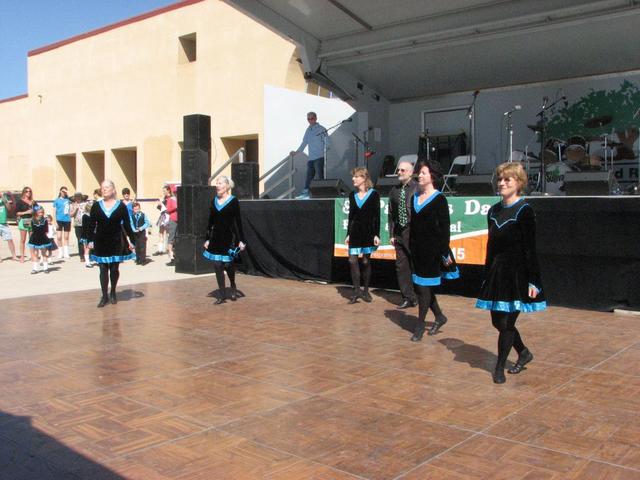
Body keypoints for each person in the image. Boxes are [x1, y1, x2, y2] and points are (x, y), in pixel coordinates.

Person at [476, 162, 545, 384]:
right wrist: (487, 273)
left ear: (519, 183)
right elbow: (491, 245)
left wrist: (534, 281)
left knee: (506, 323)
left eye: (508, 179)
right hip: (497, 272)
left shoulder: (525, 210)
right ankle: (523, 352)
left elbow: (530, 249)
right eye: (500, 179)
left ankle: (499, 368)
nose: (502, 183)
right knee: (497, 322)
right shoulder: (493, 210)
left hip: (518, 274)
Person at [409, 161, 459, 342]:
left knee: (423, 289)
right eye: (419, 173)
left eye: (423, 173)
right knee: (421, 288)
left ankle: (420, 325)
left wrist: (444, 252)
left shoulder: (439, 199)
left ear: (433, 176)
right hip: (417, 250)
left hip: (433, 251)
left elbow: (445, 228)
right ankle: (439, 316)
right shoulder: (415, 197)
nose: (419, 176)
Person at [87, 180, 136, 307]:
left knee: (114, 268)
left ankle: (113, 291)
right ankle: (104, 295)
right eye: (102, 188)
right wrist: (89, 240)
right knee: (103, 268)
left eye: (107, 187)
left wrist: (133, 239)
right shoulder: (96, 206)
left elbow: (126, 224)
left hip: (115, 240)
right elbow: (92, 224)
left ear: (113, 189)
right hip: (101, 240)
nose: (104, 189)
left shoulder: (121, 206)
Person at [203, 176, 246, 304]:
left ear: (227, 186)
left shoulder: (233, 201)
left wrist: (241, 240)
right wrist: (207, 238)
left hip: (229, 237)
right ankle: (221, 295)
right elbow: (210, 222)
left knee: (228, 265)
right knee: (217, 265)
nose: (217, 185)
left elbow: (238, 222)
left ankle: (232, 285)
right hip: (216, 237)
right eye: (217, 183)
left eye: (220, 183)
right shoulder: (213, 201)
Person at [345, 167, 380, 304]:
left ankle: (365, 290)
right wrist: (348, 234)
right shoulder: (351, 195)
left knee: (365, 261)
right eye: (353, 176)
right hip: (355, 232)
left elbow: (377, 216)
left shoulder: (374, 194)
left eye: (356, 176)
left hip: (368, 232)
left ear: (364, 178)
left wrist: (376, 234)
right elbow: (351, 216)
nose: (353, 179)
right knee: (352, 260)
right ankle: (356, 291)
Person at [388, 160, 418, 309]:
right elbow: (391, 213)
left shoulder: (417, 188)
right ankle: (407, 296)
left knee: (415, 264)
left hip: (412, 231)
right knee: (401, 265)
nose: (399, 173)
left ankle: (419, 295)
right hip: (399, 231)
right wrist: (391, 234)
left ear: (411, 173)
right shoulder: (394, 190)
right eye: (398, 170)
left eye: (403, 170)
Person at [290, 111, 326, 199]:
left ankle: (322, 194)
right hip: (311, 158)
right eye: (308, 119)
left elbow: (327, 142)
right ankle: (305, 193)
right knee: (309, 176)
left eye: (312, 118)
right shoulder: (308, 129)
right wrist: (296, 152)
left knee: (320, 176)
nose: (310, 120)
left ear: (316, 118)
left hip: (319, 157)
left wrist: (325, 151)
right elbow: (304, 143)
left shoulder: (321, 129)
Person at [15, 187, 38, 263]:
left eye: (30, 191)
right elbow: (17, 213)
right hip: (24, 220)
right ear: (23, 192)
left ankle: (32, 255)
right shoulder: (20, 201)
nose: (28, 192)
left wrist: (34, 211)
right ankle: (22, 256)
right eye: (26, 191)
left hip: (32, 221)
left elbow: (38, 210)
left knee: (32, 239)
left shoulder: (33, 202)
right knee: (23, 239)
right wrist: (26, 212)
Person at [27, 206, 52, 274]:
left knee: (44, 253)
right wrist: (31, 238)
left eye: (42, 212)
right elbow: (31, 231)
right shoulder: (32, 220)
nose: (41, 213)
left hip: (43, 238)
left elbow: (46, 231)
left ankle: (45, 268)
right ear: (36, 212)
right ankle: (35, 269)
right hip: (34, 239)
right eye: (40, 212)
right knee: (35, 254)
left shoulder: (45, 220)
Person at [160, 185, 178, 266]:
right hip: (173, 220)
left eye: (177, 192)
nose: (176, 193)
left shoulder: (180, 199)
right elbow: (167, 210)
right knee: (171, 239)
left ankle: (177, 256)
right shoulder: (171, 199)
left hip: (180, 221)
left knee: (177, 239)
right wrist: (175, 207)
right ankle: (171, 257)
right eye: (175, 192)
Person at [53, 186, 72, 260]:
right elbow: (54, 212)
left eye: (65, 192)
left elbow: (72, 201)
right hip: (59, 220)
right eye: (62, 191)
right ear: (60, 192)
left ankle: (66, 253)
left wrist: (68, 193)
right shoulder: (57, 200)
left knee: (66, 237)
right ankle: (60, 252)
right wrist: (55, 222)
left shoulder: (68, 200)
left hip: (67, 220)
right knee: (59, 237)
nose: (64, 193)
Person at [70, 192, 88, 262]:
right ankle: (81, 256)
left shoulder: (86, 204)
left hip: (85, 223)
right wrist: (75, 209)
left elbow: (89, 212)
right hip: (77, 224)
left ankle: (88, 254)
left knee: (87, 239)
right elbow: (70, 215)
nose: (77, 198)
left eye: (79, 197)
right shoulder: (72, 205)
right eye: (76, 197)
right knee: (79, 240)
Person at [0, 194, 18, 261]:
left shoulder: (4, 200)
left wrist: (3, 198)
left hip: (4, 223)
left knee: (10, 239)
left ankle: (14, 256)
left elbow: (9, 208)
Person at [80, 202, 94, 267]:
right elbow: (84, 227)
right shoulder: (85, 216)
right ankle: (87, 262)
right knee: (87, 249)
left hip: (92, 234)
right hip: (86, 235)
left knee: (90, 248)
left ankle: (91, 260)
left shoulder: (93, 215)